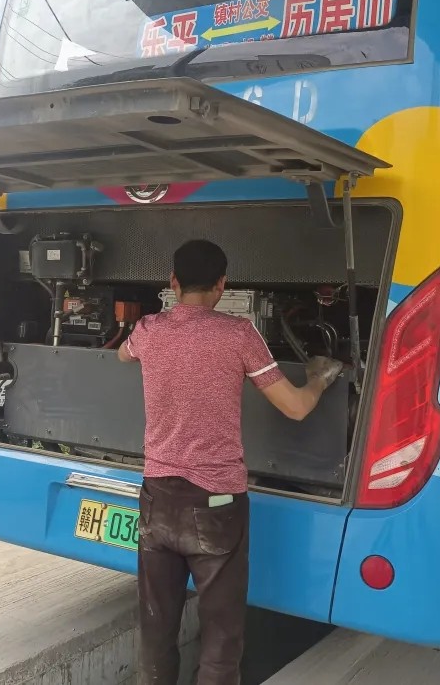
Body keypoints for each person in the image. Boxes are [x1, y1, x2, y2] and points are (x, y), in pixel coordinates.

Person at [118, 239, 342, 685]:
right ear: (222, 285)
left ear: (173, 282)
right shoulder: (238, 335)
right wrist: (318, 378)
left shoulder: (148, 330)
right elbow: (296, 408)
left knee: (156, 633)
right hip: (216, 504)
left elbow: (123, 354)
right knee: (221, 641)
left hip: (157, 498)